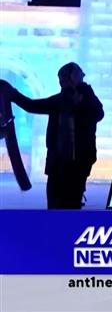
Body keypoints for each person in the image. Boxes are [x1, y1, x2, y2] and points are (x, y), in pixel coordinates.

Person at [0, 63, 103, 209]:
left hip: (77, 165)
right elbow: (31, 105)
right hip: (57, 165)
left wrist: (80, 100)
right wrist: (12, 94)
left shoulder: (87, 101)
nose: (61, 83)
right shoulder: (60, 101)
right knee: (55, 206)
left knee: (70, 206)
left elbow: (98, 114)